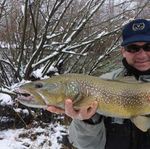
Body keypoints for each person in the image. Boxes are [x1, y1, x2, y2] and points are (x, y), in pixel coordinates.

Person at [47, 18, 150, 149]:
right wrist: (86, 121)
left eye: (148, 47)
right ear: (123, 51)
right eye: (133, 48)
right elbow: (87, 146)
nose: (142, 55)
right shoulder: (101, 84)